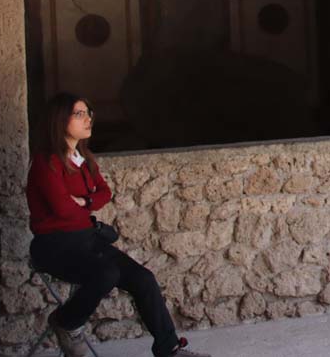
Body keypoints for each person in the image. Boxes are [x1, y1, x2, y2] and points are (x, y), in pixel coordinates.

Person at [27, 92, 209, 357]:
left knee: (144, 279)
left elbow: (104, 193)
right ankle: (66, 322)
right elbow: (62, 208)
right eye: (79, 114)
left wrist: (84, 201)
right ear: (59, 119)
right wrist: (83, 206)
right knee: (106, 273)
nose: (88, 118)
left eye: (89, 112)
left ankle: (168, 349)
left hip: (88, 240)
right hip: (55, 246)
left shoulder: (83, 158)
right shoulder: (47, 163)